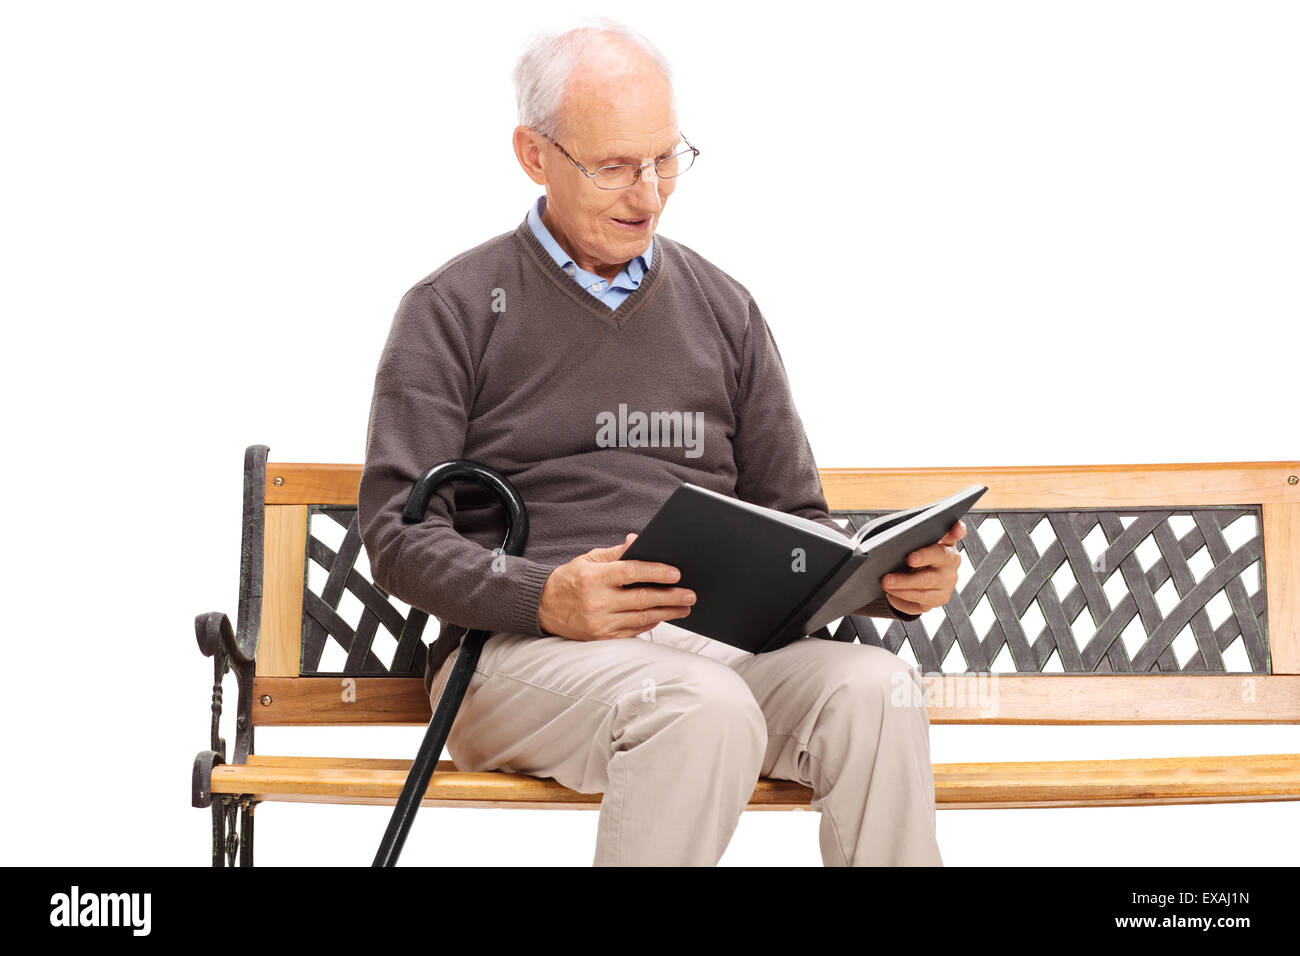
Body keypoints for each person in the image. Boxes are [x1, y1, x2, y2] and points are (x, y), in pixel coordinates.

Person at [358, 18, 964, 866]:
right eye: (613, 167)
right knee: (695, 705)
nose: (648, 195)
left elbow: (795, 518)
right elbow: (396, 537)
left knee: (879, 691)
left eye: (665, 159)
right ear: (533, 155)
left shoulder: (724, 309)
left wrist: (882, 582)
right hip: (524, 659)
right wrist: (546, 596)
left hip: (715, 650)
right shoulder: (453, 309)